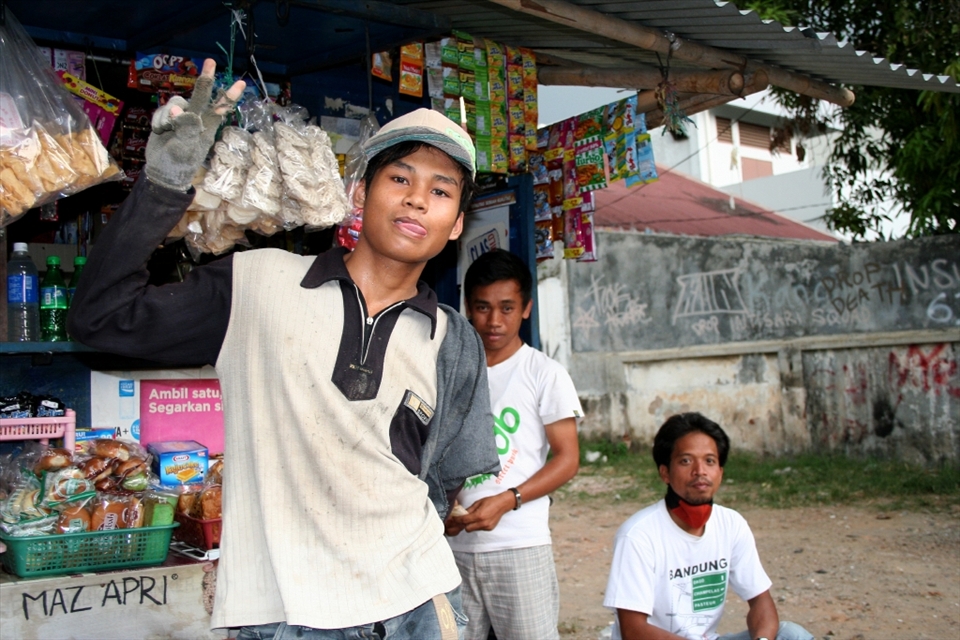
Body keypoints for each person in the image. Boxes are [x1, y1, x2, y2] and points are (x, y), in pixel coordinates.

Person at [68, 59, 501, 640]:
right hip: (282, 613)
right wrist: (164, 183)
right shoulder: (256, 285)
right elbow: (99, 319)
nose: (418, 200)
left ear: (456, 225)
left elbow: (444, 480)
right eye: (400, 179)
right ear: (359, 192)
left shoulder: (453, 340)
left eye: (440, 190)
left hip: (416, 605)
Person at [444, 249, 582, 640]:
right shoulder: (450, 372)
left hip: (520, 544)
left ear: (526, 309)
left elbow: (568, 459)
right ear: (467, 308)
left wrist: (508, 500)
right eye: (483, 307)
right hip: (454, 548)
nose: (494, 321)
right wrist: (442, 508)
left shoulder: (545, 373)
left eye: (507, 308)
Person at [603, 413, 813, 640]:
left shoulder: (731, 524)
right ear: (665, 473)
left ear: (720, 473)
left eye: (710, 461)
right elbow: (633, 631)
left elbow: (760, 600)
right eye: (686, 461)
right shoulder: (637, 535)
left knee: (790, 634)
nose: (700, 471)